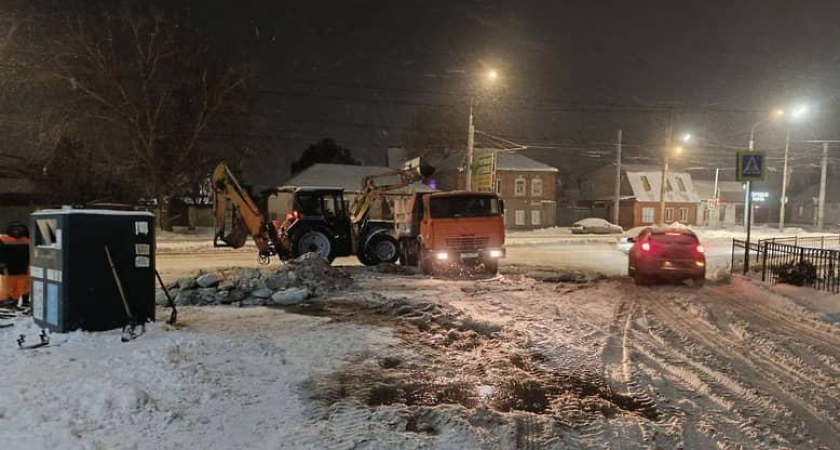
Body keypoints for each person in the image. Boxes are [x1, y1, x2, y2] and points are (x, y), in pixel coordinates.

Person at [0, 221, 31, 309]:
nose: (17, 231)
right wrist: (1, 264)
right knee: (8, 289)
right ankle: (7, 304)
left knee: (25, 287)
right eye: (15, 229)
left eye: (20, 229)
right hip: (8, 269)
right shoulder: (3, 239)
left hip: (25, 269)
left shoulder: (28, 240)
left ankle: (24, 302)